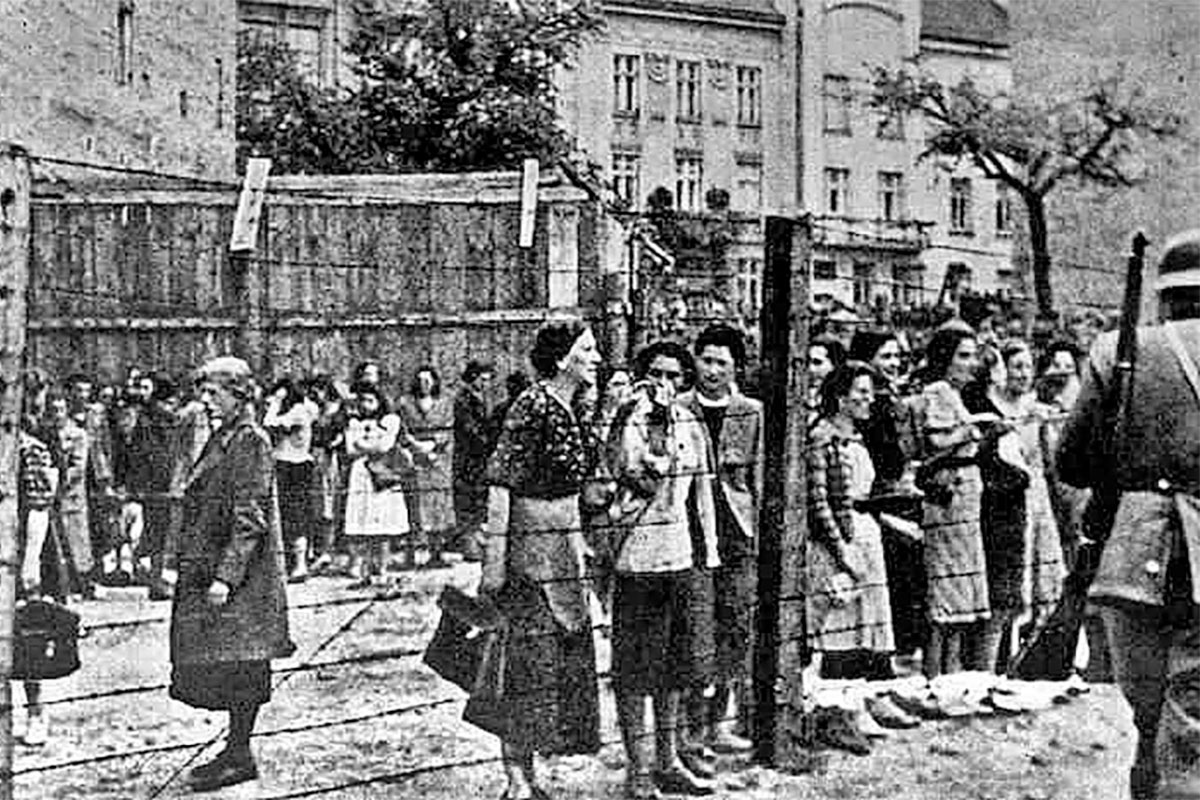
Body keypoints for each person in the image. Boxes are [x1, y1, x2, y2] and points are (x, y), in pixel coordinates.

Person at [1057, 231, 1200, 800]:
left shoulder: (1121, 352)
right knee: (1190, 704)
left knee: (1148, 709)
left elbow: (1072, 460)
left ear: (1162, 298)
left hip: (1134, 548)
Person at [471, 319, 603, 800]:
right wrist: (495, 565)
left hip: (565, 548)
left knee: (551, 663)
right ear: (563, 355)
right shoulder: (531, 404)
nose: (597, 358)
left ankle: (533, 772)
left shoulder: (578, 407)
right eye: (588, 349)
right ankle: (515, 776)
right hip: (529, 549)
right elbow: (501, 485)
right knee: (521, 663)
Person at [169, 357, 294, 792]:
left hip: (243, 580)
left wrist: (226, 576)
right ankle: (235, 750)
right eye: (203, 393)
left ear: (239, 395)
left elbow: (250, 516)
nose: (206, 401)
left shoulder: (250, 440)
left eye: (215, 393)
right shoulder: (226, 437)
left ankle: (240, 753)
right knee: (227, 663)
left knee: (243, 665)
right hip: (216, 569)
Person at [607, 340, 719, 799]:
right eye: (657, 373)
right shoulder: (628, 419)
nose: (665, 383)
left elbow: (702, 491)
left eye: (675, 376)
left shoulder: (691, 422)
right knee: (636, 668)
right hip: (636, 555)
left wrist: (708, 548)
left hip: (680, 554)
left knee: (675, 666)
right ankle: (637, 770)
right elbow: (626, 475)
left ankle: (668, 759)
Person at [805, 362, 911, 752]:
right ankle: (834, 716)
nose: (867, 400)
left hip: (864, 535)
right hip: (839, 544)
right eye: (860, 393)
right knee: (838, 631)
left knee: (864, 626)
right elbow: (820, 503)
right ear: (839, 397)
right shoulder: (822, 437)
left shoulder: (857, 437)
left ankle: (857, 706)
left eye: (870, 393)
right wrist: (842, 551)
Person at [677, 324, 762, 771]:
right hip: (690, 532)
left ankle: (716, 723)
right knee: (695, 631)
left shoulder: (752, 412)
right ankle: (690, 728)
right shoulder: (678, 407)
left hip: (736, 533)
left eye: (721, 363)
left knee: (735, 624)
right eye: (705, 360)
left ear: (735, 367)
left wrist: (759, 535)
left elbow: (761, 479)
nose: (712, 370)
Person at [917, 322, 993, 678]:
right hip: (948, 494)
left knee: (960, 584)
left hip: (965, 494)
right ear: (945, 359)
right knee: (946, 584)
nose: (970, 362)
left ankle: (952, 671)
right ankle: (938, 674)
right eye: (963, 355)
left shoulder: (956, 395)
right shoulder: (938, 392)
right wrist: (975, 427)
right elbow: (936, 441)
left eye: (973, 355)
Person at [343, 382, 410, 587]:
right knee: (363, 523)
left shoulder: (390, 420)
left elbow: (385, 446)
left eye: (370, 400)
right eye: (362, 400)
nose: (365, 404)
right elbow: (350, 450)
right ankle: (366, 571)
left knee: (382, 525)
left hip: (381, 472)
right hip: (361, 474)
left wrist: (363, 445)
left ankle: (381, 569)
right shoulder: (353, 422)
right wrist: (368, 446)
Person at [263, 378, 320, 583]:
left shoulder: (297, 411)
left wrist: (275, 404)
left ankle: (299, 564)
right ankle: (292, 564)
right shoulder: (303, 409)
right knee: (287, 515)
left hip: (293, 465)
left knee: (295, 515)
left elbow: (269, 424)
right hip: (287, 464)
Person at [398, 366, 455, 568]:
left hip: (438, 460)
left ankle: (436, 552)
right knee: (414, 504)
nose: (425, 383)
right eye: (420, 380)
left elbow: (449, 429)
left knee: (438, 504)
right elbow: (402, 430)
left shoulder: (445, 403)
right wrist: (417, 447)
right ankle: (411, 551)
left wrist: (433, 445)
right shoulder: (405, 404)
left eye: (428, 380)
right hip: (415, 459)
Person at [452, 360, 495, 562]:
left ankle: (476, 543)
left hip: (479, 458)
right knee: (468, 501)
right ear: (473, 378)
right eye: (483, 379)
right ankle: (469, 546)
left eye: (488, 380)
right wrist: (488, 443)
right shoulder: (463, 400)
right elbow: (469, 429)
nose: (486, 384)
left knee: (479, 500)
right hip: (468, 457)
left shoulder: (482, 398)